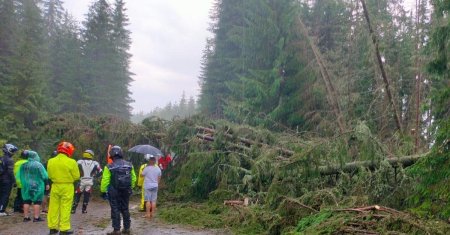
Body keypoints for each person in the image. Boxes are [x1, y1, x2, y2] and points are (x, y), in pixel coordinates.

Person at [101, 145, 136, 235]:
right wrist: (130, 188)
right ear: (121, 153)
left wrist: (103, 191)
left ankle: (116, 230)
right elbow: (133, 178)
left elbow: (105, 180)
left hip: (114, 190)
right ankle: (127, 228)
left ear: (111, 155)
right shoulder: (129, 165)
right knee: (125, 208)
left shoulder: (109, 166)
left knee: (115, 209)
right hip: (126, 190)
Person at [47, 142, 80, 235]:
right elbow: (77, 176)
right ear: (69, 150)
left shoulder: (51, 161)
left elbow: (49, 175)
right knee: (65, 207)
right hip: (67, 186)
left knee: (53, 207)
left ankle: (52, 228)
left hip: (55, 186)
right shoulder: (72, 162)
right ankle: (64, 229)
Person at [17, 150, 49, 222]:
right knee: (37, 201)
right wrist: (47, 183)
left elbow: (19, 175)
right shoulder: (38, 165)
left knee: (26, 201)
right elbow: (44, 175)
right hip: (37, 185)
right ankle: (36, 217)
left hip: (26, 185)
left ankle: (26, 217)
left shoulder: (23, 165)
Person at [71, 149, 102, 214]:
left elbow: (74, 169)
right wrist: (95, 176)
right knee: (87, 195)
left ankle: (73, 209)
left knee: (78, 194)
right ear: (91, 155)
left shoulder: (79, 162)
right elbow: (100, 171)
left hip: (81, 180)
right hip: (90, 180)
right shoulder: (95, 163)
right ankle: (84, 210)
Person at [0, 143, 18, 216]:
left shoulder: (1, 158)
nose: (13, 153)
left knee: (1, 194)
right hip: (6, 181)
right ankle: (1, 210)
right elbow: (10, 172)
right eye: (12, 151)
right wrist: (14, 181)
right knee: (5, 195)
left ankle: (2, 210)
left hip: (1, 179)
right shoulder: (10, 160)